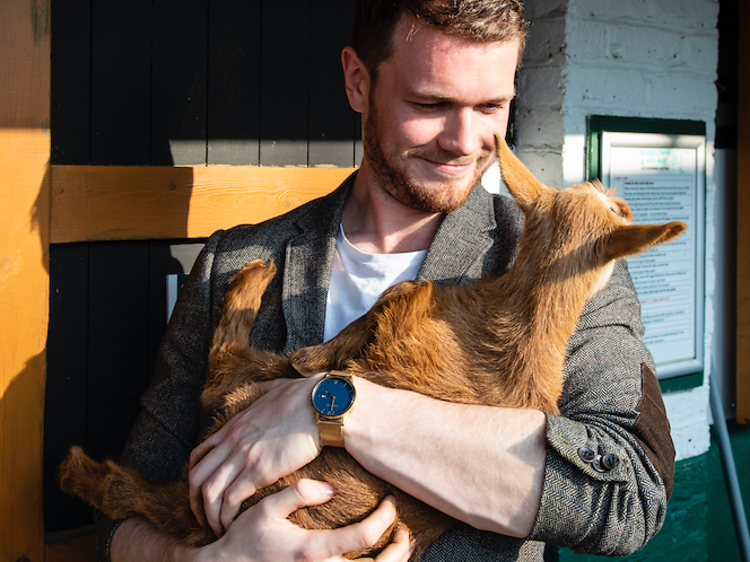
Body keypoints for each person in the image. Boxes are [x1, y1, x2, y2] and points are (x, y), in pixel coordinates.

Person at [96, 1, 675, 561]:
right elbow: (118, 518)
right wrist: (203, 561)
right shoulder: (234, 260)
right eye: (430, 102)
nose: (464, 141)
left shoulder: (575, 266)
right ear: (357, 81)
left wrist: (337, 409)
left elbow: (629, 496)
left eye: (492, 107)